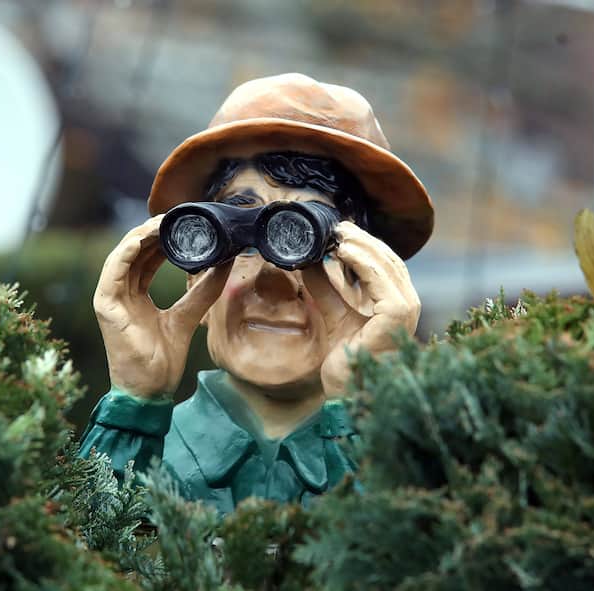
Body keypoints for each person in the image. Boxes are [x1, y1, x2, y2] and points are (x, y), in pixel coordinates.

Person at [79, 73, 434, 514]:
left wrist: (361, 416)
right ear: (195, 273)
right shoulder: (151, 456)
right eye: (242, 241)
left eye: (311, 245)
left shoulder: (428, 474)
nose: (273, 280)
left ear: (373, 281)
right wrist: (134, 404)